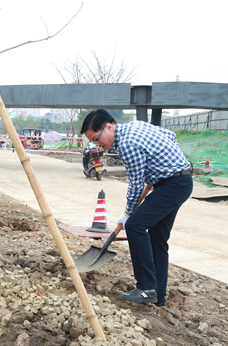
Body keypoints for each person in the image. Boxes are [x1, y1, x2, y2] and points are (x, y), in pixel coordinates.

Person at [80, 109, 192, 307]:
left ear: (109, 126)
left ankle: (147, 288)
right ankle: (158, 297)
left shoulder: (127, 143)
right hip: (178, 181)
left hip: (172, 186)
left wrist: (127, 213)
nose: (98, 144)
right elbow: (170, 136)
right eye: (93, 142)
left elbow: (136, 184)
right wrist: (160, 166)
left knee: (135, 226)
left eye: (97, 138)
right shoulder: (135, 126)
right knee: (158, 239)